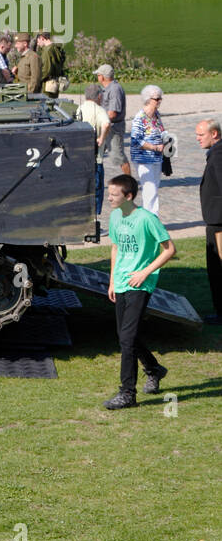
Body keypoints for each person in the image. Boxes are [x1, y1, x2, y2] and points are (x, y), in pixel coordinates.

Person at [103, 174, 174, 410]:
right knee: (126, 335)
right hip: (121, 282)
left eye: (114, 194)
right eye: (109, 193)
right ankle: (154, 369)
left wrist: (145, 273)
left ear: (129, 196)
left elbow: (169, 249)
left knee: (127, 338)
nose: (109, 198)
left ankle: (127, 393)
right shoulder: (114, 216)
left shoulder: (147, 219)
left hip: (140, 284)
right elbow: (115, 247)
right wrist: (112, 281)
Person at [196, 118, 222, 325]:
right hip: (215, 220)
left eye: (201, 135)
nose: (198, 138)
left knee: (218, 268)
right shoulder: (216, 152)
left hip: (219, 222)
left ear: (214, 134)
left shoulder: (219, 154)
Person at [128, 85, 168, 216]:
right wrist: (154, 147)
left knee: (154, 189)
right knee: (149, 190)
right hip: (144, 159)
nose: (159, 101)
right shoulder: (140, 118)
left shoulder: (156, 115)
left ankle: (152, 218)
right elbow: (135, 140)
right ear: (148, 99)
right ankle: (150, 218)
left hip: (157, 158)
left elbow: (161, 132)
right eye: (157, 99)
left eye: (160, 98)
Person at [76, 85, 111, 214]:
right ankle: (95, 220)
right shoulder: (99, 110)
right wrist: (102, 138)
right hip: (96, 159)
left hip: (81, 158)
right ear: (99, 96)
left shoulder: (79, 108)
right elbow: (106, 123)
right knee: (96, 190)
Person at [95, 64, 129, 176]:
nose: (97, 77)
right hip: (106, 126)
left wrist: (99, 119)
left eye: (98, 75)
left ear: (103, 77)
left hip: (114, 128)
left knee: (118, 156)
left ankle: (129, 182)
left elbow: (113, 113)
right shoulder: (107, 88)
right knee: (96, 153)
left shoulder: (115, 89)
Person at [37, 31, 66, 99]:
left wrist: (37, 79)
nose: (38, 44)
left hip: (47, 86)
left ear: (42, 38)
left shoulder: (47, 51)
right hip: (55, 84)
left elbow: (45, 70)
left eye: (38, 41)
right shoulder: (56, 48)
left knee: (46, 106)